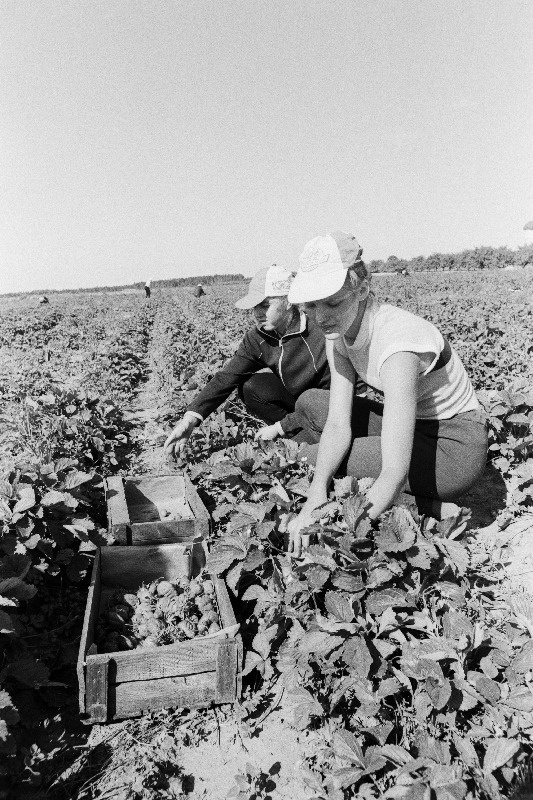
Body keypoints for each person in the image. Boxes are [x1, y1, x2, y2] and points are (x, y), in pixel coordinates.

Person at [286, 231, 488, 556]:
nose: (320, 317)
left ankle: (430, 505)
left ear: (362, 288)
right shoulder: (336, 334)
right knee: (312, 404)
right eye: (310, 305)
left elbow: (394, 471)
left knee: (307, 459)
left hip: (453, 448)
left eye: (332, 302)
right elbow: (338, 423)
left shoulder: (397, 347)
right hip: (419, 425)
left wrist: (341, 531)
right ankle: (425, 502)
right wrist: (315, 496)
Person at [164, 264, 330, 459]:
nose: (258, 313)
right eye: (254, 306)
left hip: (329, 406)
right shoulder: (257, 338)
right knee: (251, 386)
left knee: (293, 456)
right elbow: (226, 378)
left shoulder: (320, 332)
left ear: (288, 301)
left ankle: (306, 436)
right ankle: (297, 433)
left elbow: (333, 401)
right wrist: (190, 418)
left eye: (266, 305)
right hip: (299, 402)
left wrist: (280, 427)